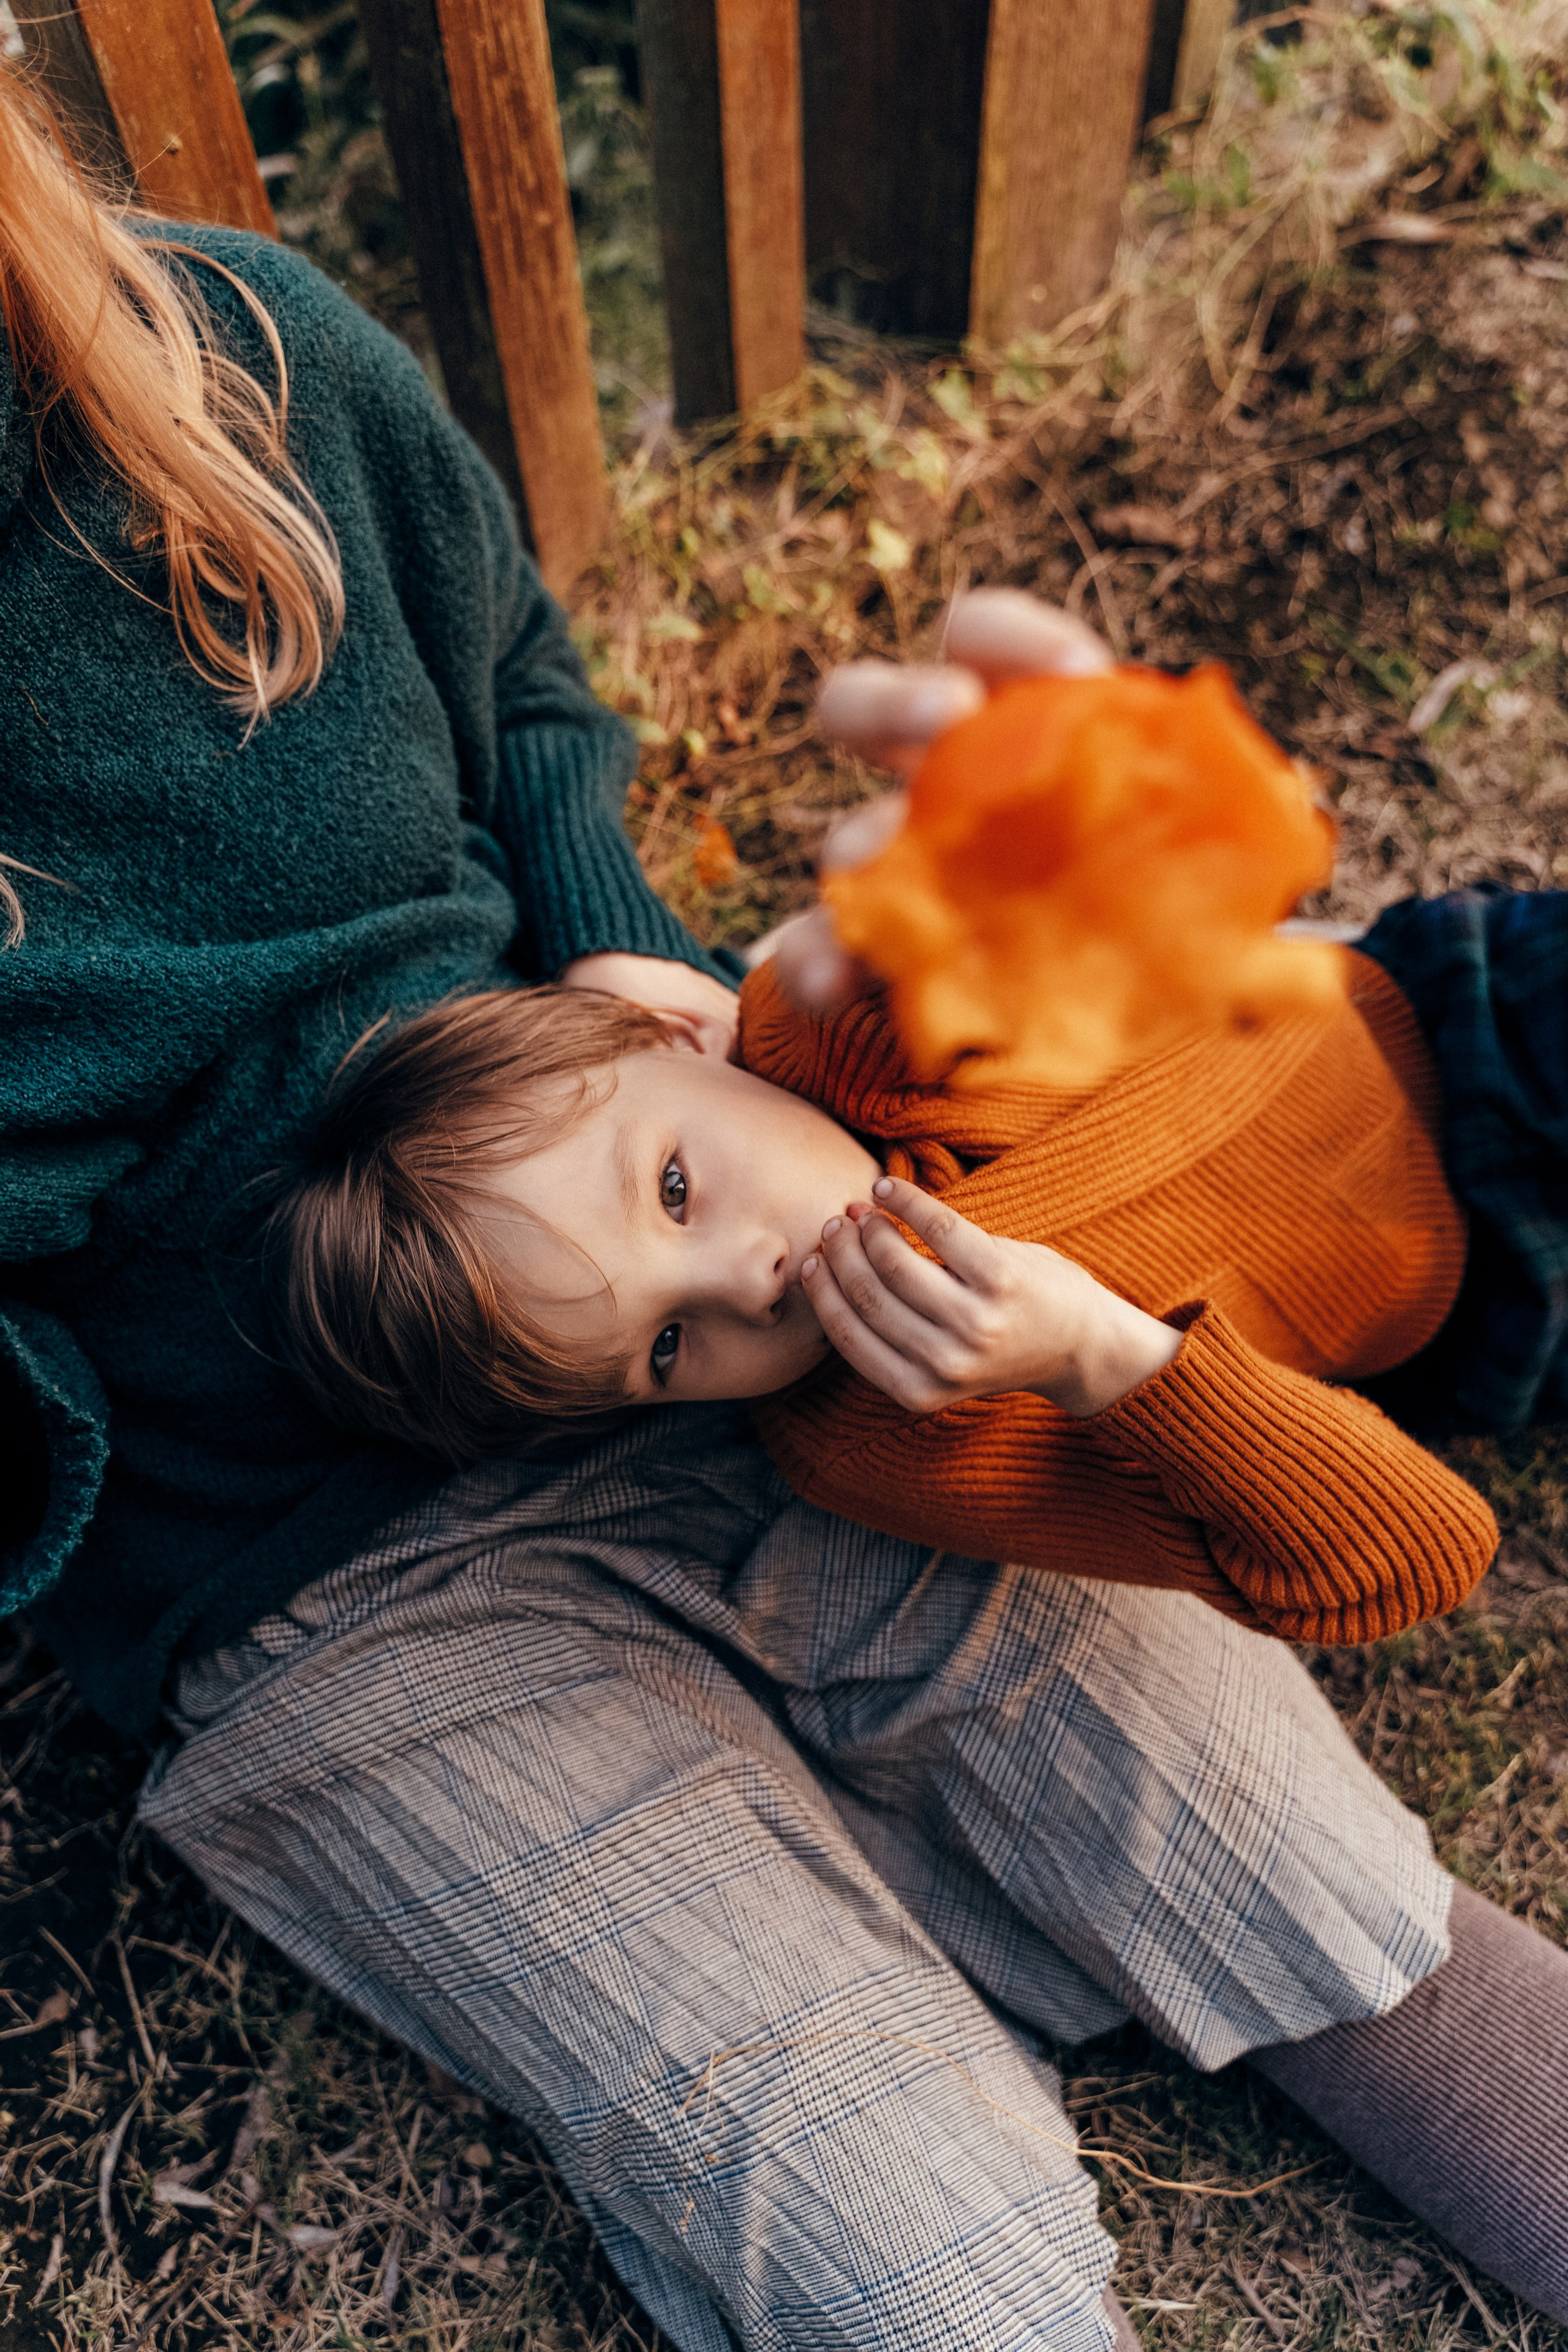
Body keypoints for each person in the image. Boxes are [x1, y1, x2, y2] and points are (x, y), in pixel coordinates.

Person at [1, 61, 1563, 2342]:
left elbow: (533, 693)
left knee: (1312, 1892)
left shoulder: (223, 361)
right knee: (884, 2212)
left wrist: (656, 995)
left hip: (725, 1377)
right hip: (298, 1571)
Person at [258, 940, 1501, 1646]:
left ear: (676, 1033)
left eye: (676, 1188)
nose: (747, 1284)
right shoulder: (890, 1437)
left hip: (1454, 1004)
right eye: (668, 1346)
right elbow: (1414, 1561)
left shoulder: (838, 1031)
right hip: (1492, 1287)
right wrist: (1098, 1359)